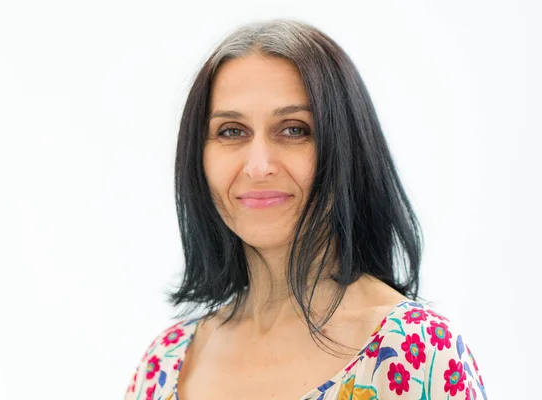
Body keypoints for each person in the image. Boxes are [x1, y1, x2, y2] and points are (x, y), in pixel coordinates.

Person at [124, 19, 487, 400]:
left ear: (348, 149)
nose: (258, 165)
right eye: (232, 131)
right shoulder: (164, 362)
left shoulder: (417, 352)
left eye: (294, 129)